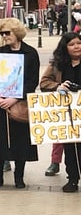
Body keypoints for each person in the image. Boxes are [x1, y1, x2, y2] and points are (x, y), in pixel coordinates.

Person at [0, 18, 39, 189]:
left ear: (17, 33)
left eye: (8, 33)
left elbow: (32, 80)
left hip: (19, 104)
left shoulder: (31, 53)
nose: (5, 36)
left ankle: (19, 176)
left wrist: (15, 98)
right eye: (2, 33)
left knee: (20, 140)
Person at [39, 32, 81, 192]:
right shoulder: (58, 65)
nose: (76, 47)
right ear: (65, 47)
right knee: (70, 149)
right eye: (72, 44)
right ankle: (73, 179)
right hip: (67, 114)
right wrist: (58, 87)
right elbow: (43, 82)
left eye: (78, 43)